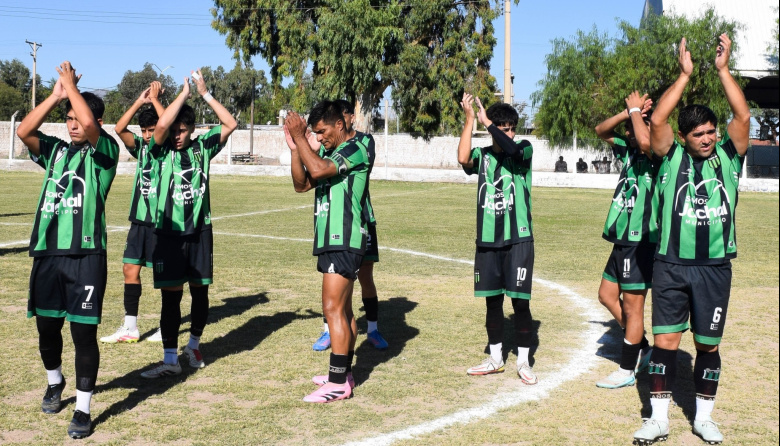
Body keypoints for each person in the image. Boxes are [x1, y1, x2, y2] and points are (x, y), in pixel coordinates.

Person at [632, 34, 750, 445]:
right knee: (665, 342)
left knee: (707, 345)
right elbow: (658, 121)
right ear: (685, 137)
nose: (706, 138)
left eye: (710, 132)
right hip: (671, 264)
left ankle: (703, 418)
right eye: (698, 133)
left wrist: (722, 70)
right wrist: (685, 75)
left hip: (715, 268)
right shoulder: (671, 156)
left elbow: (744, 116)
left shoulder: (729, 157)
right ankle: (659, 419)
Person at [16, 61, 119, 439]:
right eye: (69, 118)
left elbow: (92, 128)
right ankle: (54, 381)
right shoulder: (55, 152)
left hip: (86, 259)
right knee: (47, 331)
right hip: (48, 256)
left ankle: (83, 408)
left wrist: (72, 88)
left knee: (83, 335)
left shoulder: (104, 153)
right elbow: (24, 130)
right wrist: (57, 94)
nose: (74, 124)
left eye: (80, 117)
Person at [139, 70, 237, 379]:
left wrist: (205, 93)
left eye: (184, 130)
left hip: (199, 232)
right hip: (167, 233)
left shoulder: (203, 148)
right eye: (175, 130)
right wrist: (182, 95)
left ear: (193, 130)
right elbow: (162, 125)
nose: (177, 135)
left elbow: (231, 123)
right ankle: (170, 358)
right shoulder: (158, 150)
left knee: (200, 292)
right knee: (171, 297)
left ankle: (193, 345)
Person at [283, 101, 370, 403]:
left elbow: (318, 169)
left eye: (322, 132)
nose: (318, 139)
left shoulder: (355, 149)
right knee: (343, 312)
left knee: (332, 309)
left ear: (340, 124)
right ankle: (342, 374)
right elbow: (301, 184)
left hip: (344, 239)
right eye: (315, 134)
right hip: (330, 240)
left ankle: (336, 384)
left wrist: (301, 140)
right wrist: (297, 148)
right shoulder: (330, 152)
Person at [457, 93, 538, 385]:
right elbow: (463, 158)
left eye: (511, 128)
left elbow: (513, 151)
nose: (509, 134)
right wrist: (470, 121)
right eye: (504, 129)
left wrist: (489, 124)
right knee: (492, 303)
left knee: (520, 303)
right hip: (488, 241)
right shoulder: (483, 156)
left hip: (519, 240)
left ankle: (524, 362)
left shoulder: (524, 150)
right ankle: (495, 359)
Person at [311, 99, 388, 352]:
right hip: (332, 223)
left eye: (348, 114)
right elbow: (309, 178)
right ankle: (330, 333)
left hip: (359, 221)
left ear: (345, 120)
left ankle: (373, 330)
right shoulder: (329, 147)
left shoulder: (363, 143)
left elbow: (327, 170)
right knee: (337, 297)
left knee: (363, 277)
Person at [593, 91, 656, 390]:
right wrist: (628, 111)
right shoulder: (627, 151)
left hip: (642, 241)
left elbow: (648, 139)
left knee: (633, 307)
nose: (630, 132)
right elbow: (601, 130)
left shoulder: (658, 156)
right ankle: (642, 343)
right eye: (630, 128)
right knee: (606, 295)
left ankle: (627, 367)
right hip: (621, 240)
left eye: (637, 126)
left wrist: (640, 116)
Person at [101, 81, 165, 344]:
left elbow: (169, 125)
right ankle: (130, 327)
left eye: (152, 130)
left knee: (165, 277)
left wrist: (159, 102)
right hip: (139, 221)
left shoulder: (168, 148)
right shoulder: (141, 148)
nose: (148, 135)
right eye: (145, 130)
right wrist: (141, 101)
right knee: (130, 269)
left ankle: (166, 325)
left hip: (162, 222)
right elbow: (118, 128)